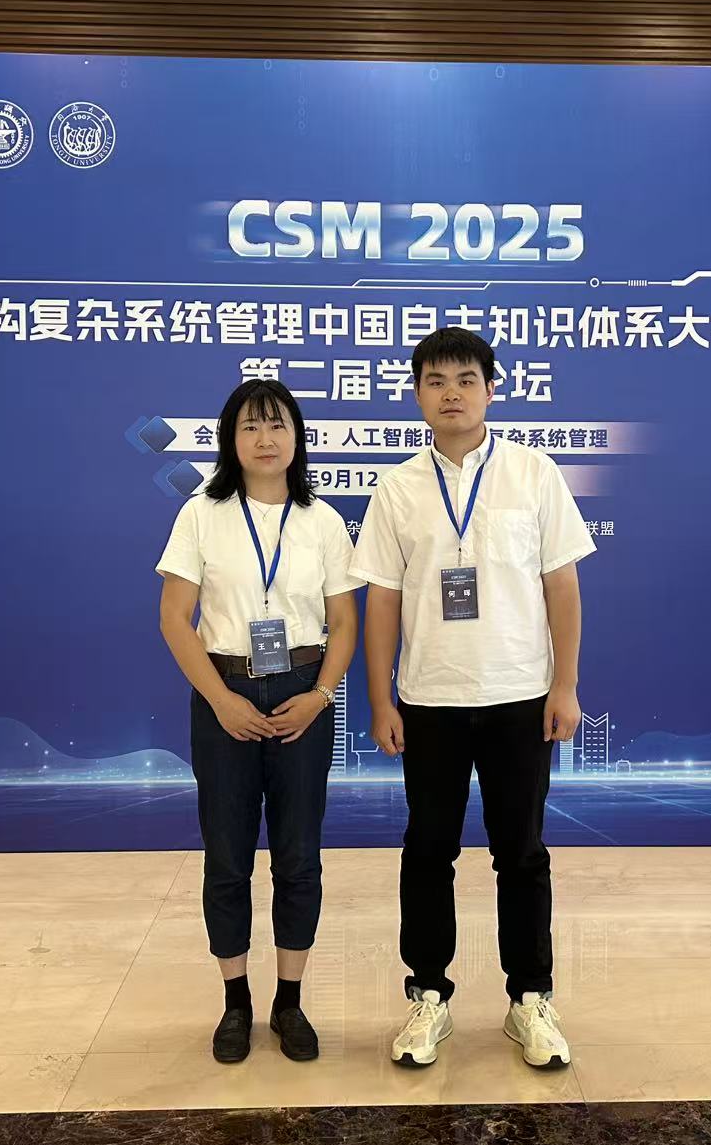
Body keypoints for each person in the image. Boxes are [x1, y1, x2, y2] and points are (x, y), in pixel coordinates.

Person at [351, 327, 594, 1070]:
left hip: (520, 694)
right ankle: (429, 995)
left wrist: (565, 686)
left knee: (521, 853)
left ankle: (531, 1000)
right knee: (428, 851)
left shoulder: (533, 473)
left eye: (465, 379)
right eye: (435, 381)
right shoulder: (397, 488)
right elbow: (382, 601)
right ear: (416, 394)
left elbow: (562, 586)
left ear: (492, 388)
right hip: (429, 699)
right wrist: (382, 701)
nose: (451, 393)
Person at [156, 379, 360, 1065]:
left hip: (303, 692)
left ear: (297, 437)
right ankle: (236, 1002)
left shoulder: (322, 520)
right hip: (226, 692)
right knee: (228, 856)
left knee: (299, 855)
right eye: (250, 427)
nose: (265, 439)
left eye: (277, 425)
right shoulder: (201, 514)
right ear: (230, 439)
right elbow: (174, 618)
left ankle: (289, 1002)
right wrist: (221, 699)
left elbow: (344, 621)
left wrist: (321, 694)